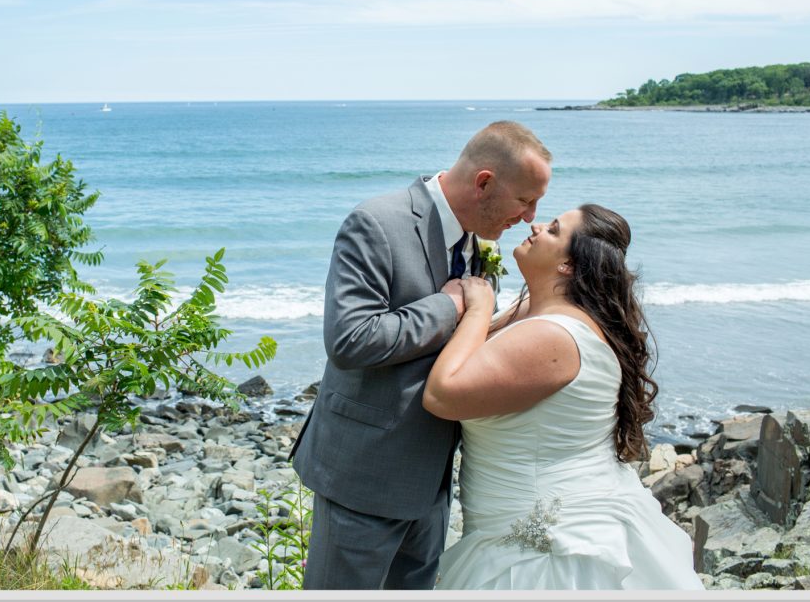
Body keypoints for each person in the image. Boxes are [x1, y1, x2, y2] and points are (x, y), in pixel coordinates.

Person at [290, 121, 552, 589]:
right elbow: (350, 340)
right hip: (364, 475)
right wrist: (448, 305)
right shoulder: (377, 223)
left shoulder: (479, 238)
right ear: (485, 183)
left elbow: (465, 342)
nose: (532, 216)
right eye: (525, 200)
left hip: (432, 481)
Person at [423, 204, 704, 590]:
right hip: (529, 521)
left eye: (553, 229)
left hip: (546, 555)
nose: (536, 226)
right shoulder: (541, 312)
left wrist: (479, 308)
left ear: (568, 266)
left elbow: (442, 395)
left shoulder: (554, 337)